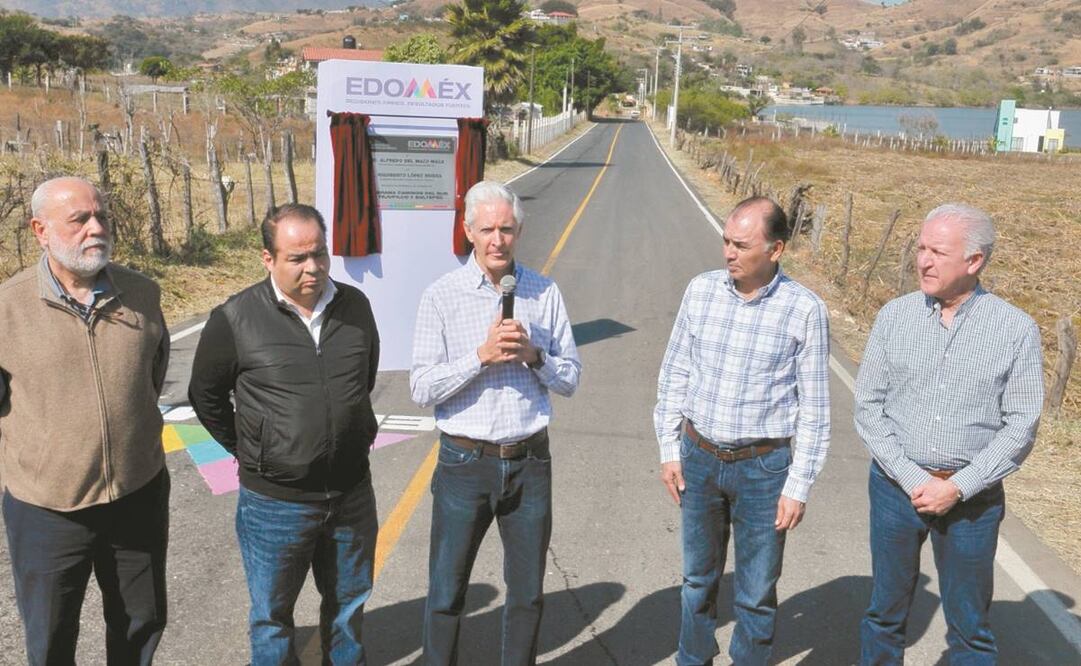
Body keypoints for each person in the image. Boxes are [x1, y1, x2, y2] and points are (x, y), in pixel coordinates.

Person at [188, 203, 381, 665]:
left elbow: (363, 378)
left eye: (319, 254)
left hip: (351, 493)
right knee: (273, 617)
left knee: (348, 609)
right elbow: (206, 396)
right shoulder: (235, 318)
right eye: (297, 258)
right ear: (267, 259)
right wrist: (252, 449)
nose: (312, 267)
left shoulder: (355, 307)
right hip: (275, 504)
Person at [855, 203, 1044, 665]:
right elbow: (868, 406)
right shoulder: (894, 317)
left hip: (973, 501)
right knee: (885, 613)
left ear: (974, 261)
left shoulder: (1015, 330)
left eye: (938, 251)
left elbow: (1021, 423)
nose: (923, 260)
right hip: (895, 490)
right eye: (921, 248)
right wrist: (911, 477)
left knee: (970, 627)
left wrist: (957, 487)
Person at [0, 176, 170, 665]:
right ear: (40, 229)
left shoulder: (142, 294)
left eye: (102, 217)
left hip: (137, 496)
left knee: (140, 625)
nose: (96, 228)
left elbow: (148, 382)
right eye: (79, 219)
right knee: (51, 635)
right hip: (47, 510)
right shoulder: (8, 309)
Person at [654, 196, 831, 666]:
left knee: (755, 592)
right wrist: (669, 450)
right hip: (700, 458)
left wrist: (799, 485)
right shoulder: (701, 291)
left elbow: (814, 408)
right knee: (697, 581)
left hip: (764, 469)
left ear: (775, 250)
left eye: (741, 244)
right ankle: (693, 659)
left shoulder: (804, 310)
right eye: (726, 241)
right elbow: (676, 373)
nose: (728, 253)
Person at [410, 180, 581, 666]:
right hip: (465, 461)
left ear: (519, 231)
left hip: (529, 459)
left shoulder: (544, 293)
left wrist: (534, 355)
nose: (497, 240)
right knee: (446, 591)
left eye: (506, 229)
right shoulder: (441, 296)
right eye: (487, 229)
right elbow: (421, 388)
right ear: (467, 231)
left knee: (527, 593)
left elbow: (570, 379)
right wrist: (479, 357)